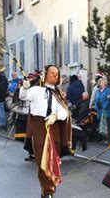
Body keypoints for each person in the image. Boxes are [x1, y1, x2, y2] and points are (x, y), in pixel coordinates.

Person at [19, 65, 72, 197]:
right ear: (45, 75)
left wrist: (55, 116)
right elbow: (23, 96)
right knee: (43, 159)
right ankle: (48, 191)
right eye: (52, 73)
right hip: (39, 127)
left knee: (53, 160)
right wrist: (25, 87)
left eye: (57, 73)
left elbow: (64, 113)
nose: (55, 75)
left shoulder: (59, 94)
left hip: (54, 128)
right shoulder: (36, 90)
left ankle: (48, 190)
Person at [94, 78, 110, 142]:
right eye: (99, 84)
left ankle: (107, 139)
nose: (100, 85)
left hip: (105, 110)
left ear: (105, 84)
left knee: (105, 124)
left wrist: (104, 107)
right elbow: (96, 100)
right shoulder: (98, 91)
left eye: (101, 84)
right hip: (99, 110)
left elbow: (108, 100)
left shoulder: (108, 90)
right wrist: (95, 106)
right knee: (100, 125)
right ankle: (101, 138)